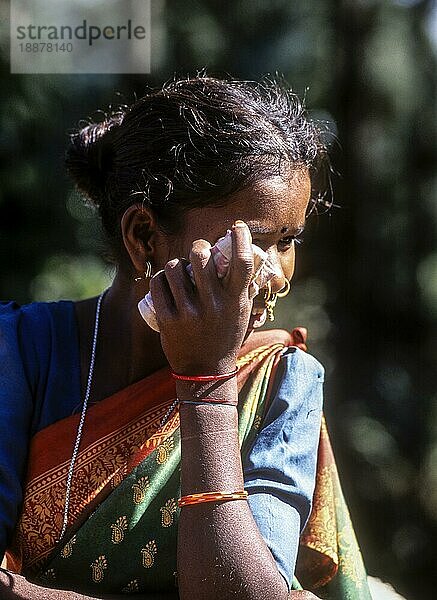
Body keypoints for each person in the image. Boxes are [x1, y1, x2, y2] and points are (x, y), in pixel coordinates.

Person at [0, 76, 371, 599]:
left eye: (290, 240)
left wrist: (207, 384)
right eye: (257, 241)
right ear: (144, 236)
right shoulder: (17, 350)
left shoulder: (283, 380)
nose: (279, 273)